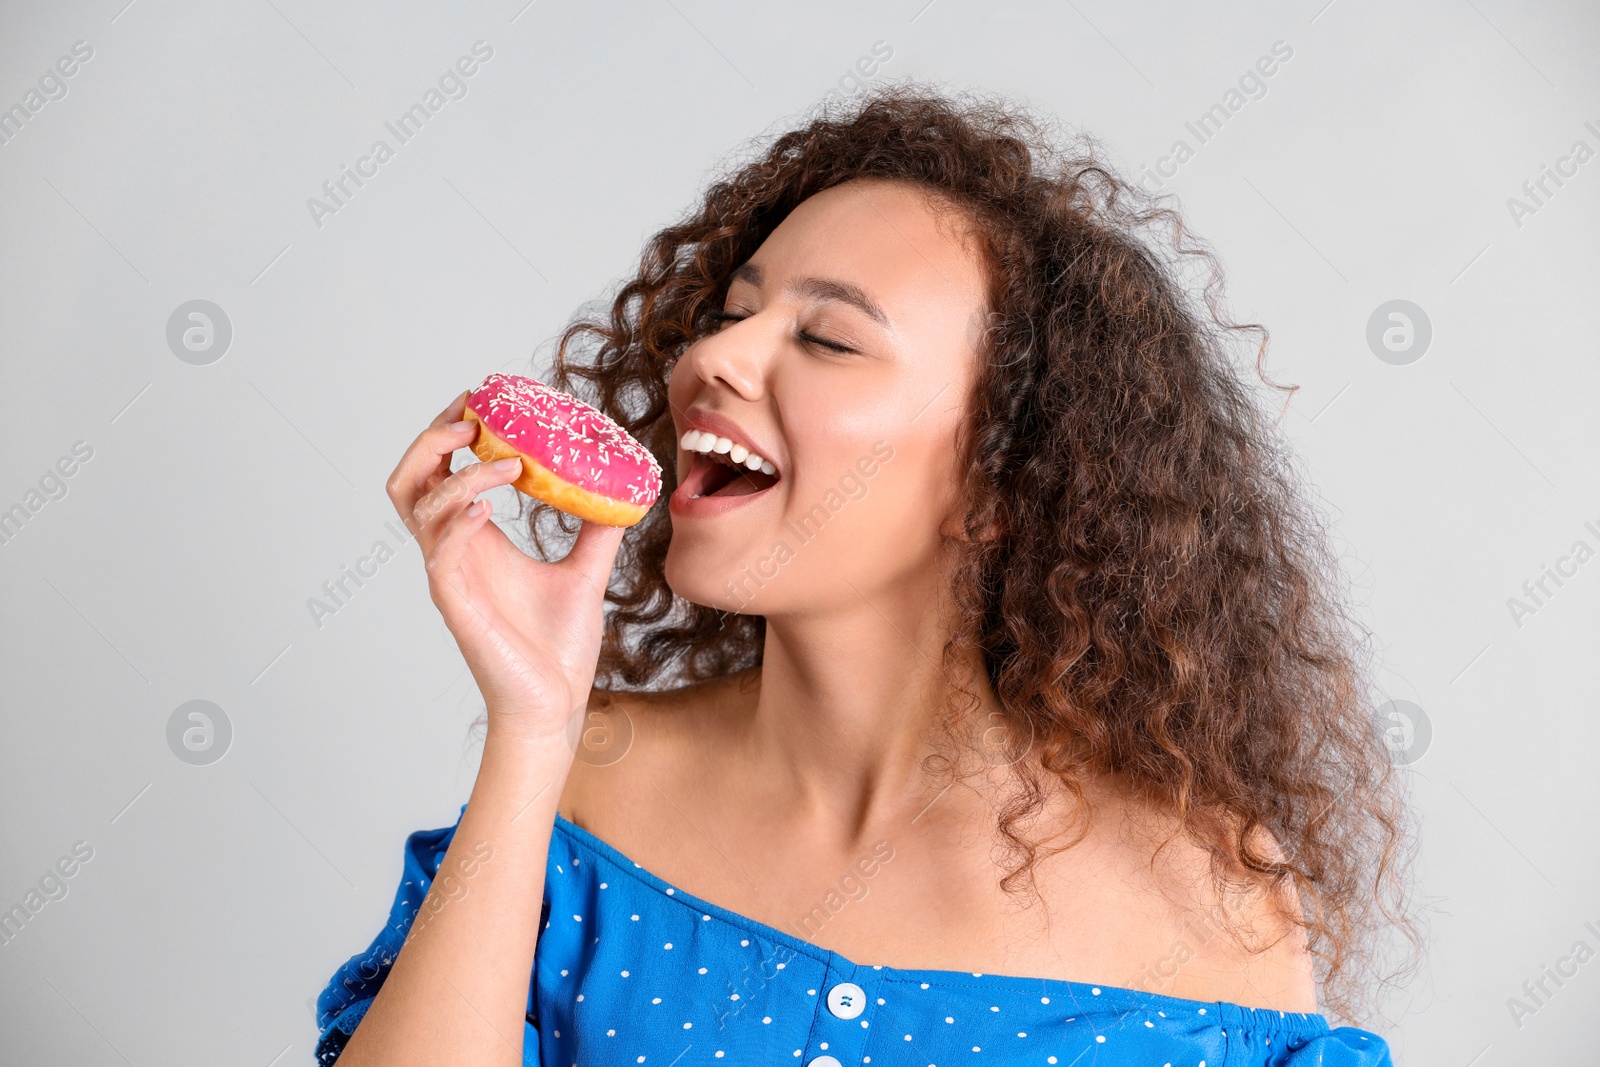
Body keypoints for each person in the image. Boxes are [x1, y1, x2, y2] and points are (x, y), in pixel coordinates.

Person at [314, 83, 1417, 1066]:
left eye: (828, 339)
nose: (714, 359)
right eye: (735, 311)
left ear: (1001, 480)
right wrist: (531, 724)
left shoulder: (1213, 895)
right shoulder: (581, 785)